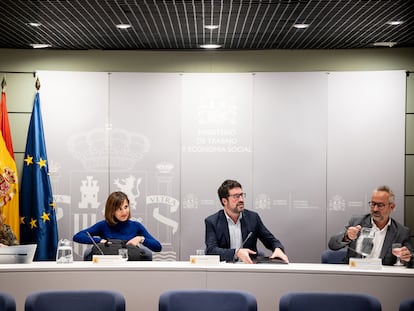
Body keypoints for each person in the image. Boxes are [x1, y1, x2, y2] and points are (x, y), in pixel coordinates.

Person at [205, 179, 289, 264]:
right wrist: (236, 253)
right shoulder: (212, 221)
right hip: (224, 270)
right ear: (224, 201)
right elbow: (211, 250)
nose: (241, 200)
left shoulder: (253, 218)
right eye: (236, 196)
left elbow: (270, 240)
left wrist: (278, 248)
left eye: (242, 195)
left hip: (249, 268)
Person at [329, 185, 414, 265]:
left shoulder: (401, 232)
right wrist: (346, 237)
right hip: (355, 273)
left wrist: (408, 257)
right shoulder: (357, 222)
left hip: (382, 277)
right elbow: (332, 245)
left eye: (380, 205)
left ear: (392, 207)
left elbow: (411, 258)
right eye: (373, 204)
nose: (375, 209)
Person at [73, 191, 162, 253]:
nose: (124, 212)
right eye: (119, 209)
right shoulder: (103, 225)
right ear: (111, 210)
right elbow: (77, 236)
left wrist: (141, 239)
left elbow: (158, 247)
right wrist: (100, 241)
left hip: (130, 267)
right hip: (108, 267)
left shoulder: (136, 226)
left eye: (126, 207)